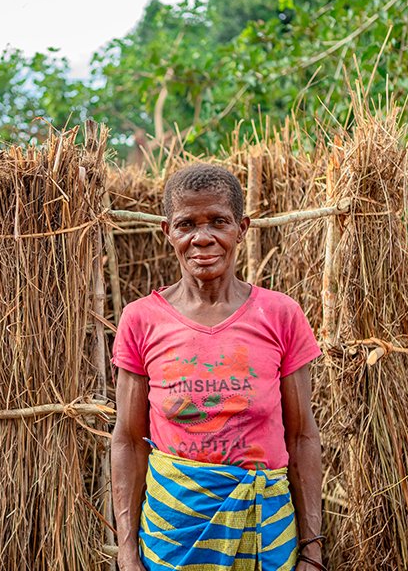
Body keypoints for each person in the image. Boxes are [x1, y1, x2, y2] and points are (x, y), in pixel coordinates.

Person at [111, 163, 325, 571]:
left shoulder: (280, 315)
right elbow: (128, 441)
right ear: (167, 232)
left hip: (265, 534)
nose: (202, 237)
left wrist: (311, 550)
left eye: (218, 221)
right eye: (186, 224)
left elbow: (301, 437)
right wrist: (126, 551)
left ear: (241, 229)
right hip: (173, 535)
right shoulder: (141, 320)